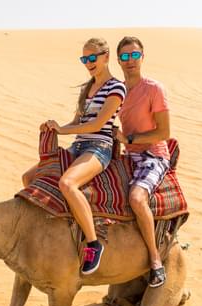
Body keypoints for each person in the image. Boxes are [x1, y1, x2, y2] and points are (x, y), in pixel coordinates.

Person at [22, 37, 126, 275]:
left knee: (68, 183)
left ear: (106, 56)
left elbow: (98, 124)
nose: (89, 63)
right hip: (78, 146)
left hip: (99, 147)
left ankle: (92, 243)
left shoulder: (116, 88)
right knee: (29, 178)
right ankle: (52, 229)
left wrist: (63, 130)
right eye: (84, 59)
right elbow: (79, 122)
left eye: (93, 58)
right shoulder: (86, 88)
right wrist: (54, 126)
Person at [115, 36, 171, 288]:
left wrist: (130, 138)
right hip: (128, 154)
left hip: (153, 155)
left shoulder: (154, 89)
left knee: (136, 198)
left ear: (142, 57)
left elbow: (163, 133)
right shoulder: (117, 90)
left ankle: (155, 261)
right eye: (125, 56)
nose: (130, 61)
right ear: (118, 60)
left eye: (134, 55)